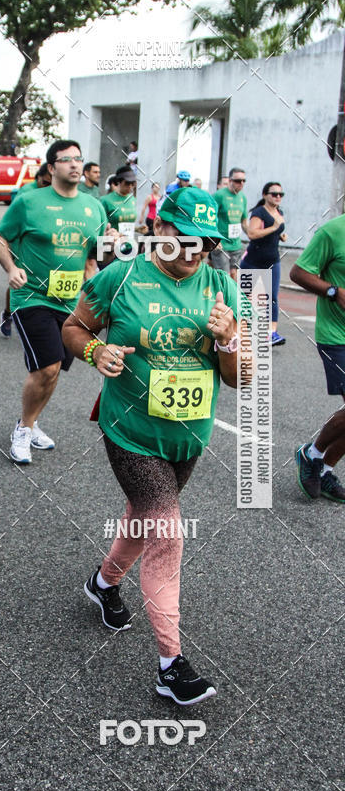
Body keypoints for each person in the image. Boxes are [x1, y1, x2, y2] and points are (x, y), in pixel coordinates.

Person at [62, 187, 251, 705]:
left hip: (189, 434)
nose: (195, 252)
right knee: (166, 530)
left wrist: (229, 339)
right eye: (186, 239)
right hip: (130, 431)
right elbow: (74, 327)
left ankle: (103, 583)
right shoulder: (120, 276)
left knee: (143, 521)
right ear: (161, 230)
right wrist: (96, 351)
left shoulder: (223, 286)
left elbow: (242, 379)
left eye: (207, 243)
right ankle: (172, 663)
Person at [0, 139, 106, 464]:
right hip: (31, 297)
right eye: (66, 159)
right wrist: (11, 268)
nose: (74, 164)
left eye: (78, 159)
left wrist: (110, 248)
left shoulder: (92, 207)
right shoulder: (29, 202)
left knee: (54, 372)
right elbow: (0, 236)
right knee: (48, 366)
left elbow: (93, 256)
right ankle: (24, 431)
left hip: (69, 301)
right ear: (51, 167)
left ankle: (30, 421)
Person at [291, 214, 345, 503]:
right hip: (337, 334)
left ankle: (323, 469)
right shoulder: (333, 231)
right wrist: (333, 291)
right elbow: (299, 273)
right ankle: (310, 454)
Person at [0, 165, 52, 339]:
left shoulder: (54, 194)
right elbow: (12, 223)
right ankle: (8, 313)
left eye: (50, 183)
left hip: (43, 247)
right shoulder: (26, 194)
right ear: (38, 178)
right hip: (20, 243)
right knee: (19, 281)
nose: (47, 186)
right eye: (45, 182)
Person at [242, 182, 287, 346]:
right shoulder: (259, 212)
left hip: (272, 260)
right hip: (253, 261)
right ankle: (240, 328)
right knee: (245, 297)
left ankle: (271, 333)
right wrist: (274, 227)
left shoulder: (279, 212)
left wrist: (281, 234)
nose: (278, 197)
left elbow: (276, 230)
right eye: (274, 194)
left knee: (272, 297)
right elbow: (252, 234)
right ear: (265, 195)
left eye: (281, 194)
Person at [210, 167, 248, 279]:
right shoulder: (219, 196)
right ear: (230, 181)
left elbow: (244, 221)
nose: (241, 183)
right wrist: (214, 239)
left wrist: (253, 234)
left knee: (234, 275)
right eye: (237, 181)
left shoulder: (242, 197)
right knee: (224, 277)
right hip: (222, 244)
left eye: (243, 181)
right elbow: (209, 218)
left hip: (236, 244)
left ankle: (231, 297)